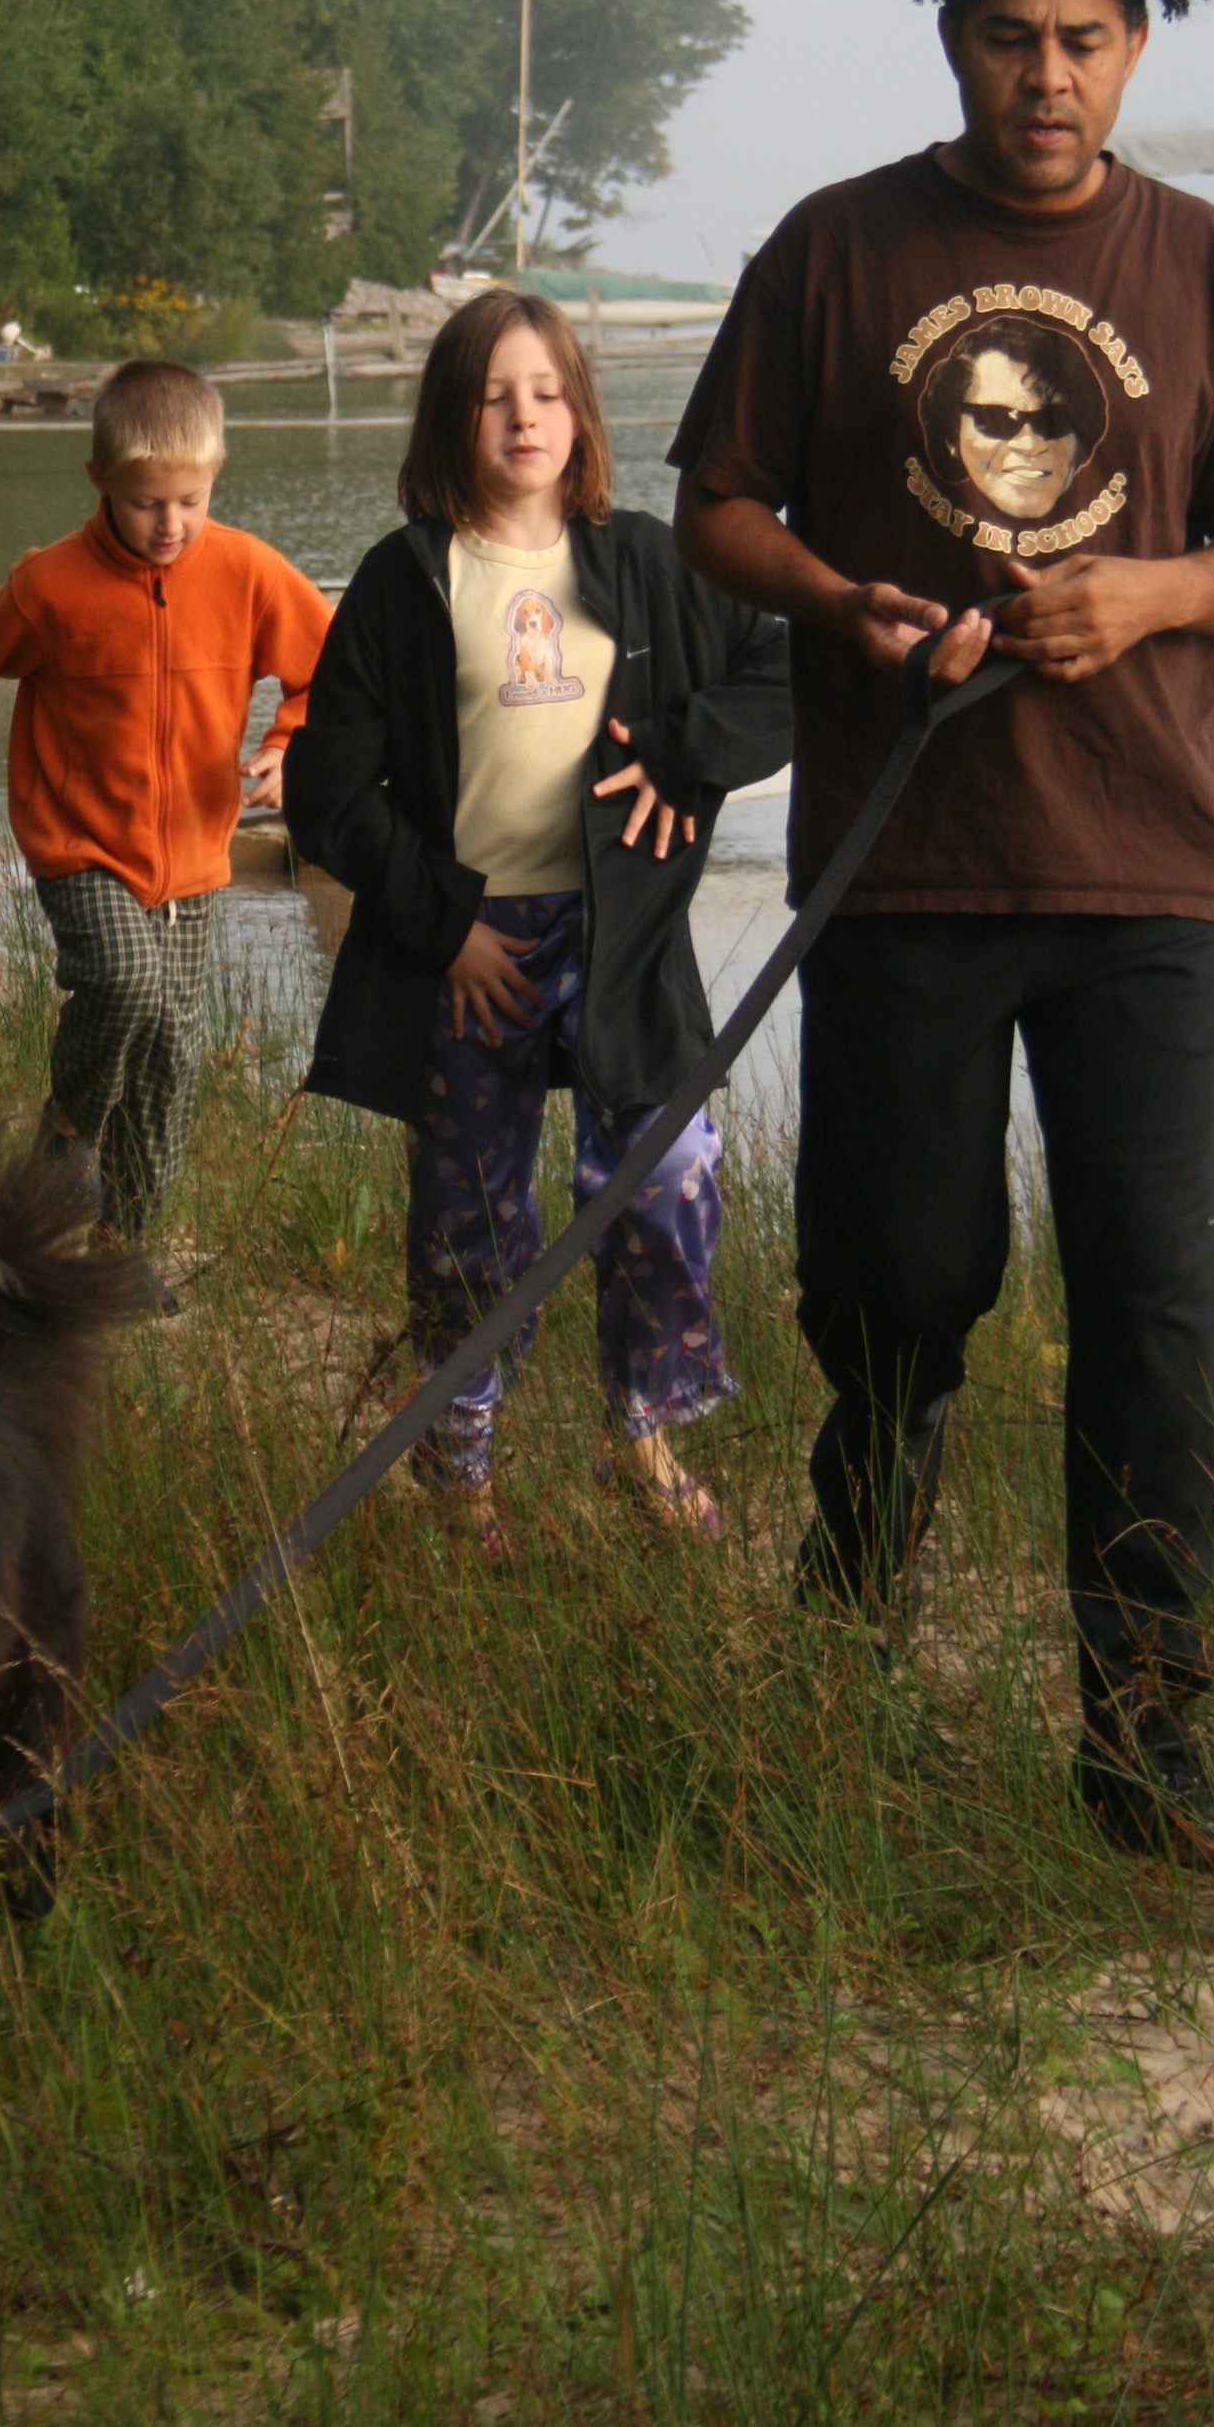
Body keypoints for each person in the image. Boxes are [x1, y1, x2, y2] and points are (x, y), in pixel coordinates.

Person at [668, 0, 1214, 1861]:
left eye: (1084, 40)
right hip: (904, 862)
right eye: (1006, 37)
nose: (1046, 76)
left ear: (1136, 45)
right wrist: (841, 598)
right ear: (950, 37)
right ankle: (855, 1599)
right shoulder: (833, 248)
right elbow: (719, 505)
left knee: (1153, 1302)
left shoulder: (1201, 262)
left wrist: (1150, 596)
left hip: (1149, 867)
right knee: (900, 1280)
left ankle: (1142, 1735)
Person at [285, 289, 792, 1551]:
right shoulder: (406, 579)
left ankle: (643, 1430)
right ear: (449, 419)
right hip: (476, 947)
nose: (524, 416)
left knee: (668, 1175)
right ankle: (460, 1462)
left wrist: (684, 754)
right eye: (493, 395)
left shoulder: (652, 560)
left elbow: (790, 674)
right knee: (473, 1219)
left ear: (581, 412)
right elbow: (327, 793)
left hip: (627, 940)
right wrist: (440, 928)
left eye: (548, 392)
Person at [0, 360, 331, 1280]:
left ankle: (126, 1248)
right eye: (146, 503)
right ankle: (72, 1122)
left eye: (191, 501)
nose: (171, 525)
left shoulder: (246, 573)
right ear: (99, 482)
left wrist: (290, 744)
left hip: (195, 855)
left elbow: (332, 668)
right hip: (79, 845)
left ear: (215, 478)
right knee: (125, 984)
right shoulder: (52, 586)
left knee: (171, 1055)